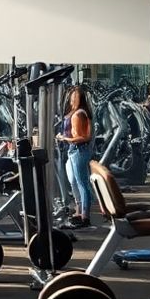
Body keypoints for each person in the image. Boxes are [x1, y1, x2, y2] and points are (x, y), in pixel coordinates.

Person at [57, 86, 95, 230]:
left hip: (78, 150)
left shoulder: (79, 114)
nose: (73, 98)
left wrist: (65, 139)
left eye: (76, 96)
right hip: (72, 150)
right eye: (72, 96)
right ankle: (79, 211)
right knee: (73, 182)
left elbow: (84, 137)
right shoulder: (74, 112)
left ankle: (85, 216)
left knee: (82, 183)